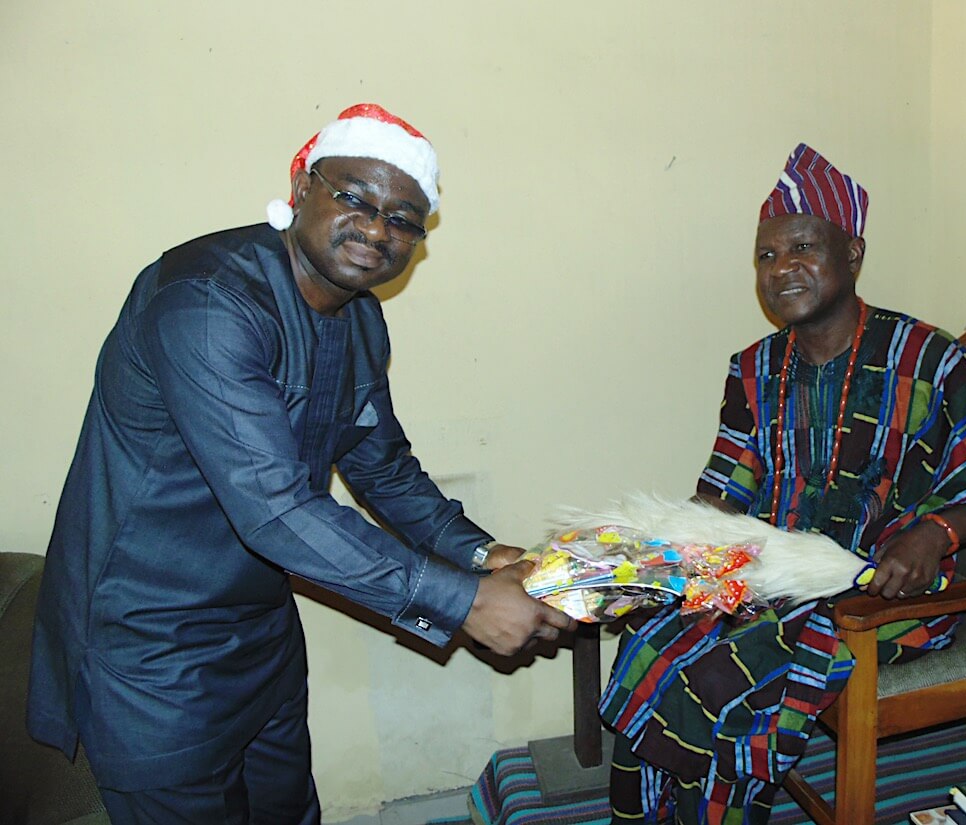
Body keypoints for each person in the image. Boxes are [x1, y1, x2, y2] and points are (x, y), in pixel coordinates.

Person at [27, 103, 575, 824]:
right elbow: (276, 508)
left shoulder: (359, 318)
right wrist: (466, 601)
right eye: (355, 198)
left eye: (403, 219)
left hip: (261, 634)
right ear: (300, 186)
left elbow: (382, 467)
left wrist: (483, 553)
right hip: (150, 648)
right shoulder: (207, 302)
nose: (377, 229)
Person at [598, 144, 966, 825]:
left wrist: (936, 533)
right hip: (767, 574)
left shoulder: (925, 357)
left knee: (716, 678)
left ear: (853, 253)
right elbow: (722, 494)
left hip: (880, 595)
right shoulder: (752, 369)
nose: (782, 268)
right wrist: (654, 555)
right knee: (653, 635)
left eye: (803, 247)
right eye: (767, 256)